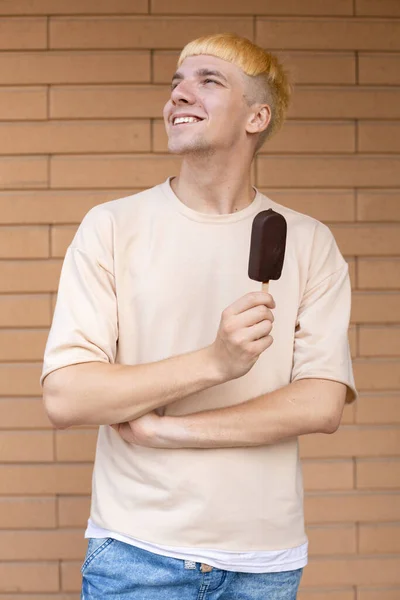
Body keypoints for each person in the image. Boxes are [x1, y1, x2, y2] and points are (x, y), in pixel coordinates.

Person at [41, 33, 357, 600]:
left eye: (208, 81)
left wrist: (171, 431)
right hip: (136, 553)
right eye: (176, 83)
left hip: (264, 562)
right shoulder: (112, 228)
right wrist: (215, 362)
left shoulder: (309, 242)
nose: (180, 94)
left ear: (257, 116)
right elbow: (67, 397)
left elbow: (321, 402)